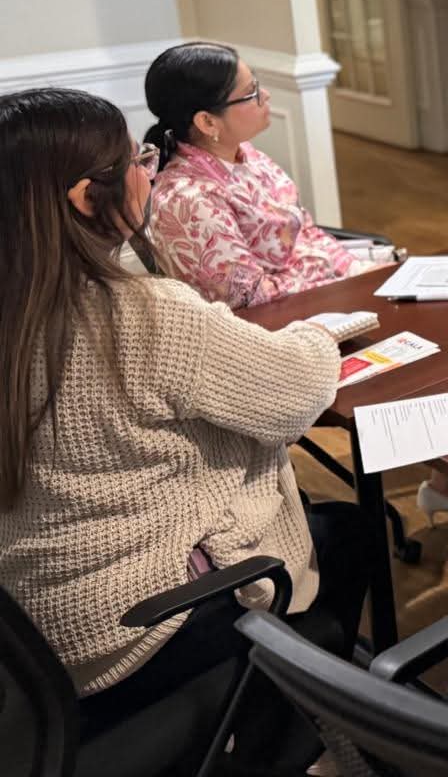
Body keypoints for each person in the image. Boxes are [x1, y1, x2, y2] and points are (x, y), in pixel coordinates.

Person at [0, 88, 373, 771]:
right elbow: (292, 392)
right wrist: (323, 337)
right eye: (137, 160)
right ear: (88, 197)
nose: (149, 172)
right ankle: (279, 741)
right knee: (346, 538)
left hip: (36, 635)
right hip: (139, 629)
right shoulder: (140, 316)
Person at [142, 41, 380, 308]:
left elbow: (306, 230)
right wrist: (326, 269)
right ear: (207, 122)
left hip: (318, 294)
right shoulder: (187, 202)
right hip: (276, 327)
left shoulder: (247, 155)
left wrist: (356, 269)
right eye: (250, 92)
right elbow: (251, 300)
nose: (264, 95)